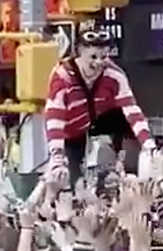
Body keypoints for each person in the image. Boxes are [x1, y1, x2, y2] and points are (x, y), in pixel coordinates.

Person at [44, 25, 154, 183]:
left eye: (103, 57)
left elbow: (133, 111)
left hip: (100, 118)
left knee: (128, 120)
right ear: (79, 54)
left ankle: (127, 170)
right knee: (70, 178)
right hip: (70, 129)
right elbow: (54, 117)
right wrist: (57, 157)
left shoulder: (115, 75)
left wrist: (149, 144)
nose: (99, 63)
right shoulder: (62, 76)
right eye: (93, 57)